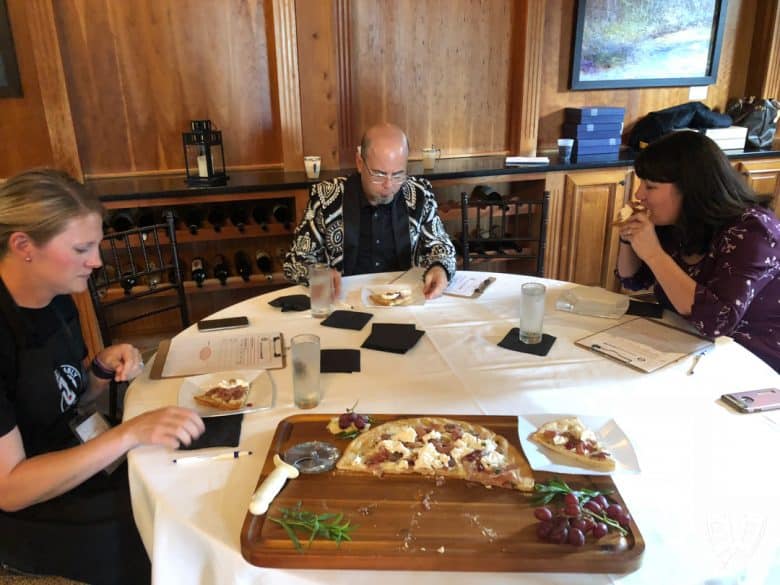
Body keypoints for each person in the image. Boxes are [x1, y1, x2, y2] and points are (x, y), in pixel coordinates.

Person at [0, 169, 205, 584]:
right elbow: (10, 488)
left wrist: (97, 371)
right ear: (23, 245)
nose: (96, 261)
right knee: (169, 522)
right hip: (35, 507)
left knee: (191, 473)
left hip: (77, 455)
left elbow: (69, 402)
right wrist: (127, 434)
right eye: (81, 248)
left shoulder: (56, 298)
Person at [616, 131, 780, 372]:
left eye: (650, 186)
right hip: (693, 348)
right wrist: (628, 239)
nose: (639, 195)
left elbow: (716, 320)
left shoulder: (753, 231)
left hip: (754, 362)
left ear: (690, 189)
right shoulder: (678, 222)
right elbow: (633, 280)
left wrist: (654, 254)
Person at [283, 123, 456, 299]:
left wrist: (440, 267)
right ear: (359, 163)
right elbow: (295, 261)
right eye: (379, 174)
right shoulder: (328, 198)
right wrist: (319, 275)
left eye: (398, 175)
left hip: (404, 301)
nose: (389, 185)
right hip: (345, 302)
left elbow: (442, 247)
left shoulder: (419, 195)